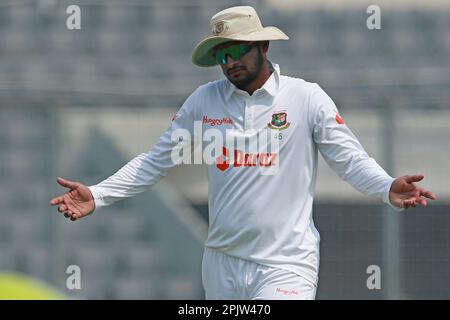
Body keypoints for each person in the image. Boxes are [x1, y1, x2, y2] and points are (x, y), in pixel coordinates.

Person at [50, 6, 437, 300]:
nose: (230, 61)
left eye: (236, 50)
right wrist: (98, 195)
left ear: (263, 46)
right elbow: (156, 161)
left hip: (286, 264)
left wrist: (386, 186)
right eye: (221, 54)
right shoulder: (204, 101)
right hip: (221, 264)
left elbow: (349, 159)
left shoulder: (305, 98)